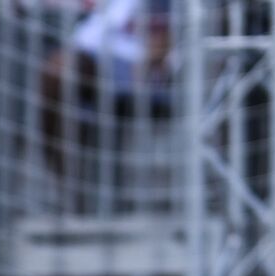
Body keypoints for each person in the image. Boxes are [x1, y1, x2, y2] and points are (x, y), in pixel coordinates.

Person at [39, 0, 174, 181]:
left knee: (61, 70)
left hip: (131, 66)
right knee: (56, 73)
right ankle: (71, 183)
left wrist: (149, 62)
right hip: (89, 53)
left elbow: (171, 35)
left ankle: (82, 187)